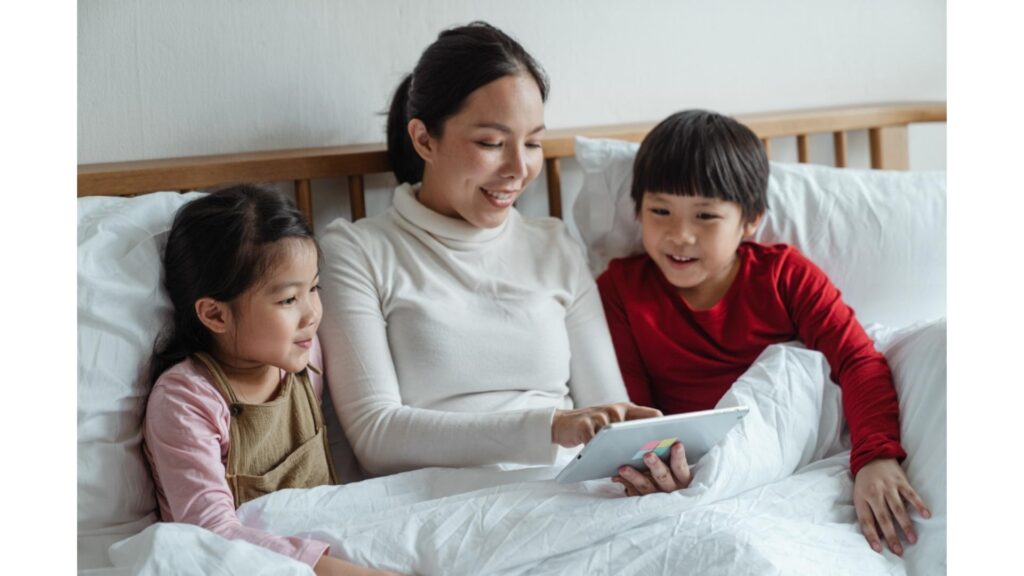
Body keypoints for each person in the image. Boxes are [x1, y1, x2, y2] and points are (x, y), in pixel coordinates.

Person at [318, 22, 658, 477]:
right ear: (424, 140)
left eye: (533, 142)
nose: (519, 169)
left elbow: (609, 414)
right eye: (491, 143)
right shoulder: (357, 251)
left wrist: (648, 464)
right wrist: (549, 428)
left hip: (572, 492)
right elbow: (378, 436)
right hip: (438, 508)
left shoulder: (554, 246)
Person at [597, 110, 932, 557]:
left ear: (750, 219)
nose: (679, 235)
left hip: (788, 451)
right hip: (694, 464)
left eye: (705, 216)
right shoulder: (621, 288)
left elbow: (857, 361)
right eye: (660, 211)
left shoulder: (784, 276)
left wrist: (876, 456)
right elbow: (636, 411)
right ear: (637, 210)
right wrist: (652, 464)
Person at [143, 186, 398, 576]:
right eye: (287, 300)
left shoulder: (305, 357)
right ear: (215, 315)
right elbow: (211, 534)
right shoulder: (187, 400)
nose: (311, 314)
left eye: (314, 289)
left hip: (333, 542)